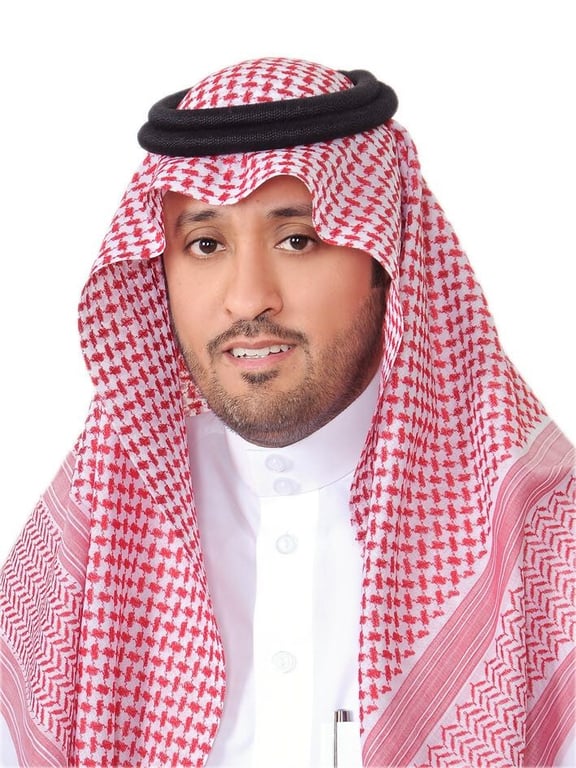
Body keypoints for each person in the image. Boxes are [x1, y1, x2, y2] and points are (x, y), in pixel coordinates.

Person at [0, 56, 574, 768]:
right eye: (205, 244)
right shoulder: (91, 537)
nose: (248, 298)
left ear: (385, 259)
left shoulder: (547, 547)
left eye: (297, 240)